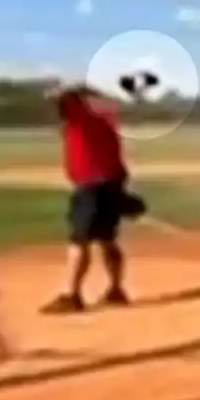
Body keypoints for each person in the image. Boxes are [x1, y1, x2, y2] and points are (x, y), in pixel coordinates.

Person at [40, 84, 133, 314]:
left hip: (92, 183)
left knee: (78, 241)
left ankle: (71, 295)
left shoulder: (81, 112)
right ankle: (116, 289)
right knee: (107, 238)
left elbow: (53, 96)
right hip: (111, 178)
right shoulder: (105, 111)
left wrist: (71, 90)